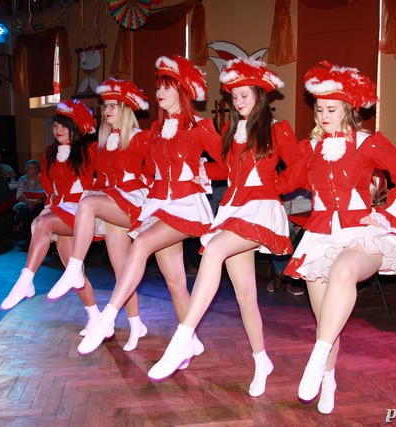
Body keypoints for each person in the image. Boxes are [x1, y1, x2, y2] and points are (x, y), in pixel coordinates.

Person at [147, 58, 299, 396]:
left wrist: (277, 186)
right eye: (235, 96)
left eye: (245, 95)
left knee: (213, 249)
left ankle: (182, 337)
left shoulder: (278, 129)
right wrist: (205, 172)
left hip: (260, 210)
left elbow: (300, 166)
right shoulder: (232, 129)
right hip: (232, 209)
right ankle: (261, 360)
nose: (239, 101)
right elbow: (229, 171)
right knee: (245, 296)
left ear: (260, 95)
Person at [275, 61, 396, 414]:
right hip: (320, 237)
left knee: (343, 272)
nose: (324, 116)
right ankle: (328, 379)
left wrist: (385, 214)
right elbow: (283, 183)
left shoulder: (368, 142)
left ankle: (316, 358)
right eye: (319, 109)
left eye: (331, 109)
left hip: (361, 232)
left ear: (348, 109)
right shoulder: (311, 148)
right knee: (328, 321)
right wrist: (272, 141)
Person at [73, 55, 223, 357]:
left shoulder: (200, 127)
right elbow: (148, 167)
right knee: (175, 282)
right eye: (158, 88)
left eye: (167, 88)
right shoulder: (155, 128)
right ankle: (191, 341)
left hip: (186, 205)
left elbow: (229, 165)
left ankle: (108, 317)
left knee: (141, 243)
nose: (159, 93)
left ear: (182, 91)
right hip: (159, 204)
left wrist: (204, 171)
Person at [48, 78, 154, 351]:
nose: (106, 111)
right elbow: (97, 177)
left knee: (87, 203)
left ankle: (74, 269)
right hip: (112, 204)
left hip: (132, 202)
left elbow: (156, 170)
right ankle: (137, 325)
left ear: (125, 109)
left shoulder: (141, 138)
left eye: (112, 106)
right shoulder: (102, 144)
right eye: (105, 106)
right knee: (122, 272)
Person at [0, 100, 98, 331]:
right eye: (55, 126)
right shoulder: (50, 152)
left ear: (75, 127)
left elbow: (100, 176)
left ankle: (25, 280)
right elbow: (46, 181)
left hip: (80, 211)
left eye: (63, 125)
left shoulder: (89, 150)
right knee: (74, 272)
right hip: (59, 210)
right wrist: (52, 201)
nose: (58, 130)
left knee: (43, 223)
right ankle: (95, 317)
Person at [14, 159, 45, 242]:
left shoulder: (42, 179)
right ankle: (28, 233)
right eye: (27, 168)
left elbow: (46, 194)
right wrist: (28, 203)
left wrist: (34, 203)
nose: (28, 170)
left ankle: (37, 233)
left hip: (38, 202)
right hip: (25, 202)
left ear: (36, 169)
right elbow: (19, 195)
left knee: (36, 210)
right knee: (24, 210)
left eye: (30, 168)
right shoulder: (23, 179)